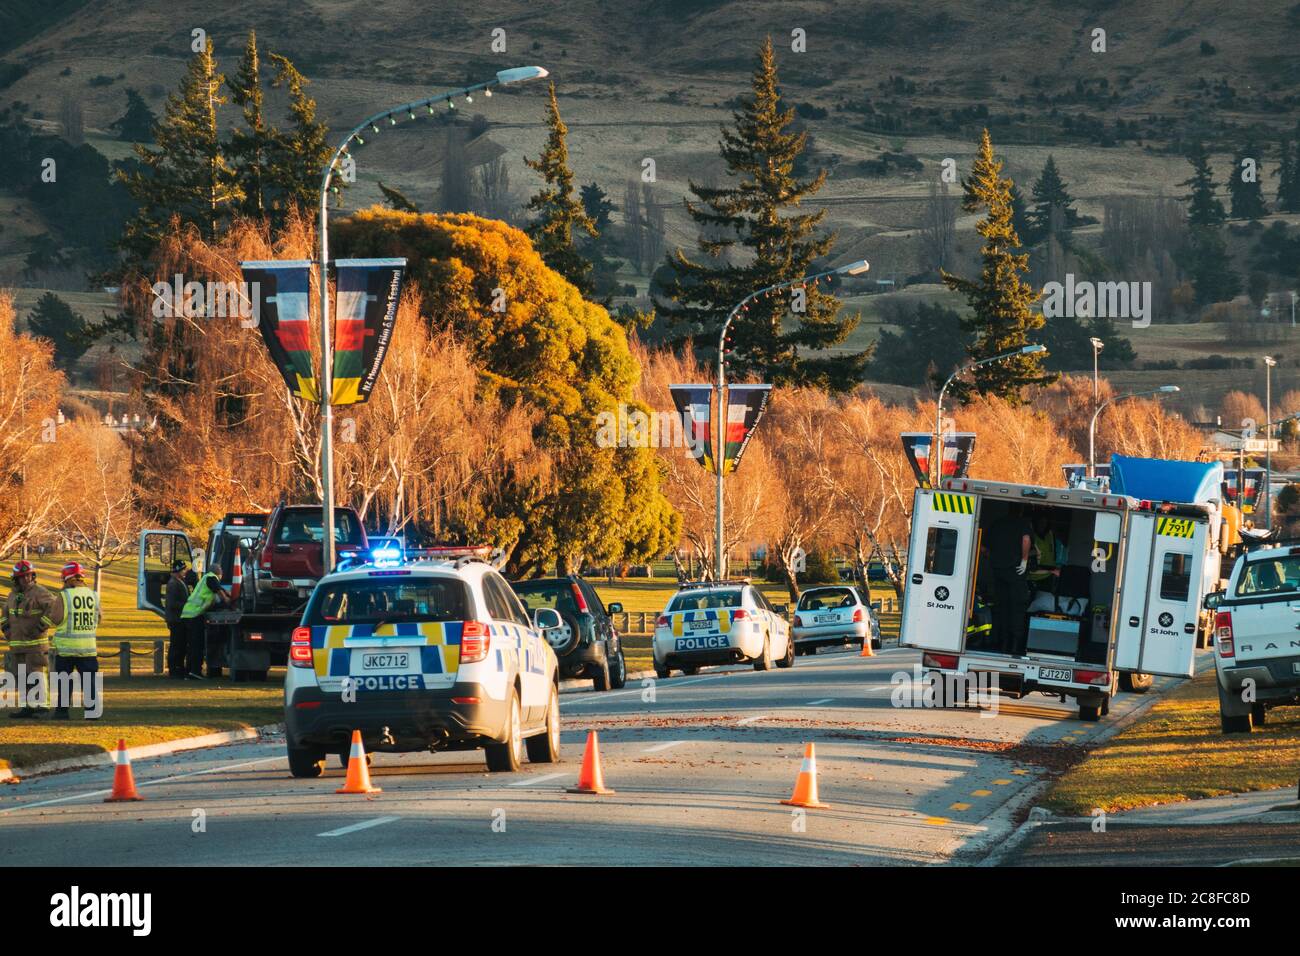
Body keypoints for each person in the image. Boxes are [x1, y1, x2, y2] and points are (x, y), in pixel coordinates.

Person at [2, 560, 63, 718]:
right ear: (16, 579)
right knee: (21, 676)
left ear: (33, 575)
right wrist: (6, 630)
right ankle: (27, 706)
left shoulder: (39, 592)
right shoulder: (12, 595)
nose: (26, 579)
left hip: (36, 645)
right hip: (17, 645)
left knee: (37, 675)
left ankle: (42, 706)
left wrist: (41, 626)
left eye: (29, 576)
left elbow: (53, 608)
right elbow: (5, 615)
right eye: (22, 577)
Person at [52, 562, 101, 720]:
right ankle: (92, 711)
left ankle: (62, 712)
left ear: (67, 578)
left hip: (66, 648)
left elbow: (56, 619)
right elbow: (99, 618)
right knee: (89, 682)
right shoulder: (93, 595)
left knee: (65, 681)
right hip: (88, 647)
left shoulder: (64, 595)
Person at [985, 505, 1033, 656]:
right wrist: (1024, 560)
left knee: (1001, 609)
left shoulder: (997, 523)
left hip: (998, 572)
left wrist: (995, 559)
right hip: (1015, 573)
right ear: (1020, 511)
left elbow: (983, 549)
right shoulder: (1023, 523)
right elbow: (1026, 540)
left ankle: (1003, 644)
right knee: (1017, 610)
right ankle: (1015, 646)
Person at [178, 568, 227, 679]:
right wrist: (227, 601)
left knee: (192, 646)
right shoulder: (212, 578)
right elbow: (219, 590)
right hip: (194, 616)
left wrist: (226, 593)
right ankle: (195, 672)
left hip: (188, 615)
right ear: (220, 573)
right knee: (197, 646)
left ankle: (190, 672)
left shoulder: (205, 578)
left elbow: (220, 589)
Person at [165, 560, 191, 679]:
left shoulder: (180, 582)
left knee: (181, 644)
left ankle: (179, 666)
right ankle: (174, 668)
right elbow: (172, 603)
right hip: (176, 620)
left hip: (179, 619)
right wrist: (187, 605)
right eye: (183, 569)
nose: (185, 571)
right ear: (178, 570)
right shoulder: (173, 584)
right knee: (176, 644)